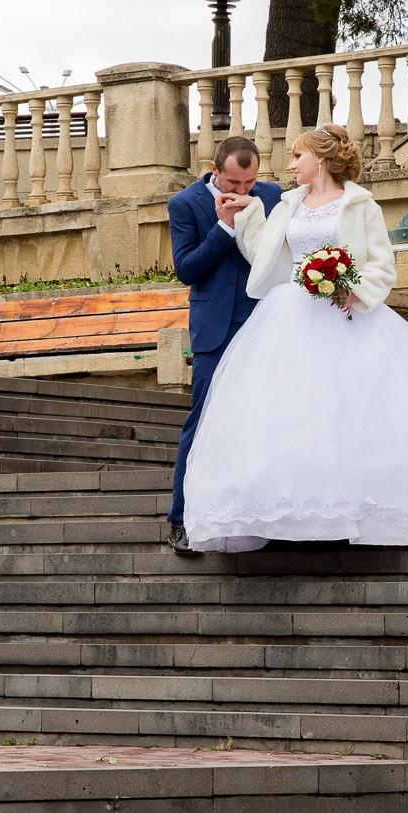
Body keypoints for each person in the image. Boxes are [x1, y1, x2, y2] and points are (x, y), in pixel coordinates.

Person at [181, 124, 408, 553]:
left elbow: (382, 262)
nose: (291, 164)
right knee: (288, 412)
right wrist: (245, 214)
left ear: (319, 159)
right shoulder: (288, 203)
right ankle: (295, 512)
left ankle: (359, 509)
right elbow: (265, 252)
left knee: (353, 411)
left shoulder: (360, 205)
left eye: (297, 156)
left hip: (346, 314)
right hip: (291, 313)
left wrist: (352, 287)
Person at [164, 136, 282, 555]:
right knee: (204, 417)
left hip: (262, 321)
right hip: (215, 328)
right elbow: (186, 268)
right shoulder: (186, 203)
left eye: (249, 182)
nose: (243, 191)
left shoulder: (272, 195)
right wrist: (224, 228)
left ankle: (259, 516)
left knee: (262, 419)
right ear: (215, 169)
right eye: (234, 182)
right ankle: (180, 518)